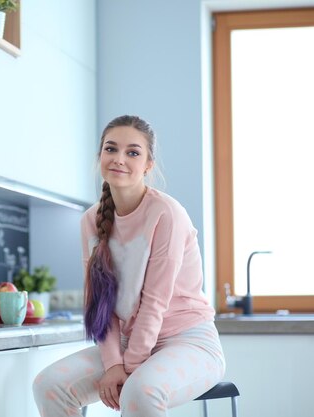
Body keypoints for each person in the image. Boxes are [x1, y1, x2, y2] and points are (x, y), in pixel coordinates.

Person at [33, 115, 225, 417]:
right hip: (124, 345)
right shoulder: (90, 221)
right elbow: (100, 303)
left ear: (148, 165)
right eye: (111, 149)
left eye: (133, 152)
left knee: (140, 392)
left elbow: (154, 302)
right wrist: (113, 364)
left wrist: (130, 368)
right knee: (49, 385)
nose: (119, 159)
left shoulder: (167, 214)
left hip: (188, 341)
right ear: (100, 157)